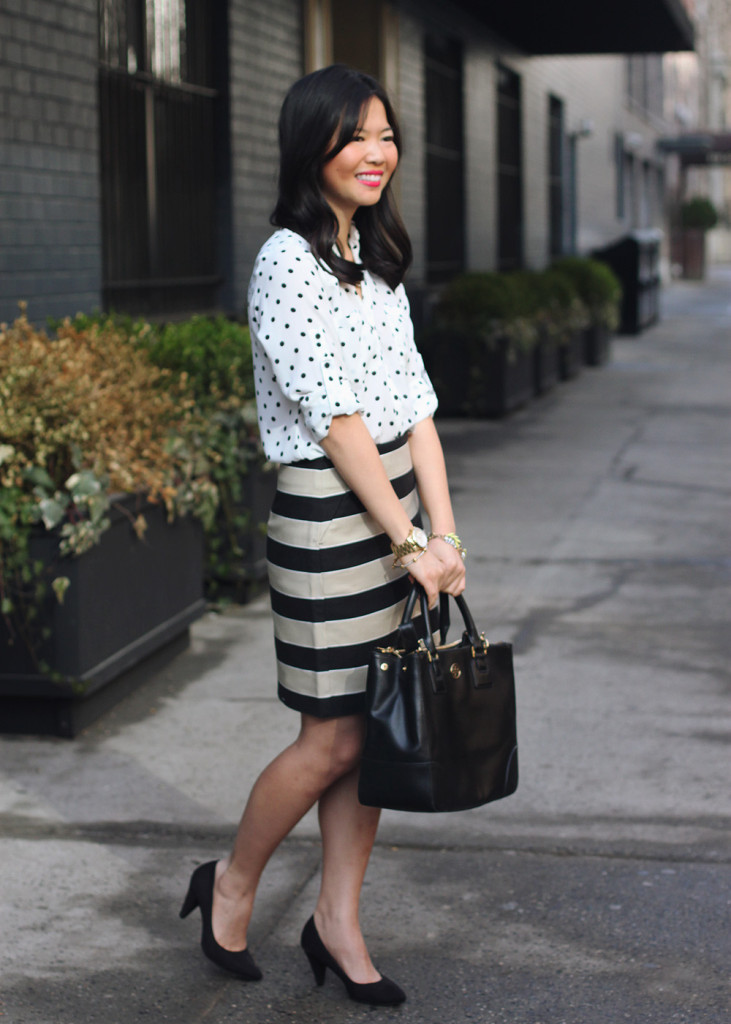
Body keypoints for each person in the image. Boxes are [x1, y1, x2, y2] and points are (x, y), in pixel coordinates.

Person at [180, 63, 466, 1007]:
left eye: (386, 135)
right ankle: (230, 882)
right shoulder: (285, 262)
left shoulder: (372, 256)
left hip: (393, 516)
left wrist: (445, 538)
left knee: (371, 738)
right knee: (327, 743)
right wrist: (405, 539)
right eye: (356, 137)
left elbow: (416, 409)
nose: (377, 152)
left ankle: (337, 921)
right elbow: (337, 419)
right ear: (314, 148)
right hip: (328, 518)